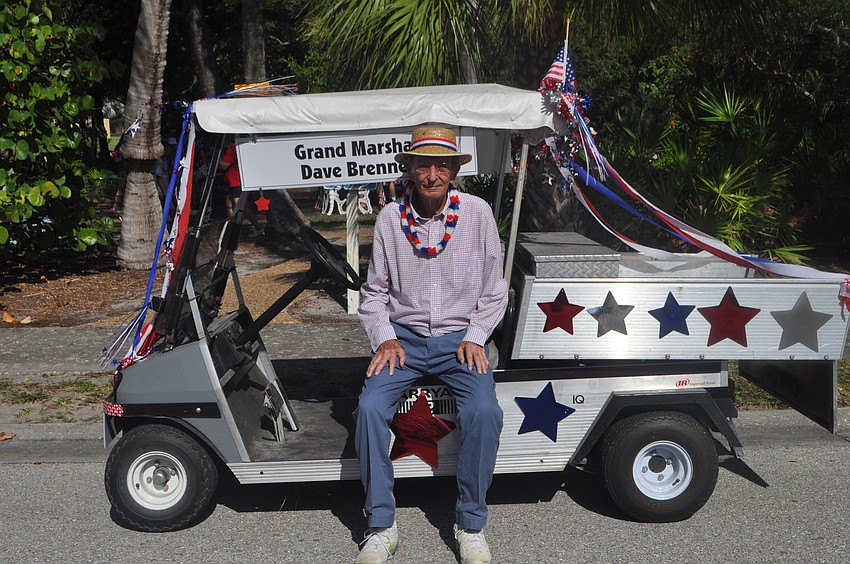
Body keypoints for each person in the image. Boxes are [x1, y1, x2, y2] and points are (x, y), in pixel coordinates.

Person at [355, 126, 508, 564]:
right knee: (368, 410)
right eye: (424, 164)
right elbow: (374, 294)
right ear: (409, 168)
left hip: (460, 340)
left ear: (456, 170)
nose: (433, 174)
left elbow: (495, 291)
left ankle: (471, 524)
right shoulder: (389, 218)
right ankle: (382, 526)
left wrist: (477, 336)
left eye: (443, 165)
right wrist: (384, 337)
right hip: (402, 341)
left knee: (483, 411)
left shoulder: (476, 214)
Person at [219, 137, 263, 237]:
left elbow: (224, 165)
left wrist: (218, 157)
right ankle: (232, 227)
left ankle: (258, 227)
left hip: (236, 181)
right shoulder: (232, 148)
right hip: (231, 181)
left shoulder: (231, 149)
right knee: (229, 203)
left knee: (239, 205)